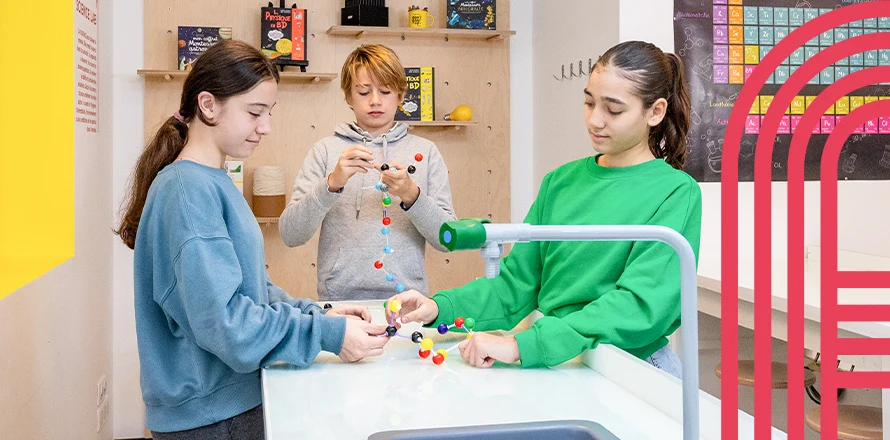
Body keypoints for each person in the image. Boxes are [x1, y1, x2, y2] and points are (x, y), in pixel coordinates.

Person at [114, 40, 388, 439]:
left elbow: (250, 290)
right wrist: (328, 336)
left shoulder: (213, 181)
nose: (266, 127)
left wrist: (320, 315)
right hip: (211, 418)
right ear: (208, 106)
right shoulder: (186, 191)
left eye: (269, 113)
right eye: (255, 112)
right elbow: (228, 325)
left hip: (229, 405)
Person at [387, 41, 701, 378]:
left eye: (614, 110)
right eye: (588, 102)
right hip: (566, 359)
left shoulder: (676, 193)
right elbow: (516, 285)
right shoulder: (560, 182)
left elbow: (640, 306)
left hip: (633, 367)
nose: (595, 120)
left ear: (655, 112)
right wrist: (439, 307)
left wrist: (522, 345)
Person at [279, 44, 456, 301]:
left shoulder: (426, 152)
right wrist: (331, 185)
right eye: (363, 92)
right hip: (338, 304)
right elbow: (290, 235)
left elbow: (448, 239)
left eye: (385, 91)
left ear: (401, 94)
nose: (375, 100)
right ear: (348, 97)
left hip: (408, 302)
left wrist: (411, 195)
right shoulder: (326, 151)